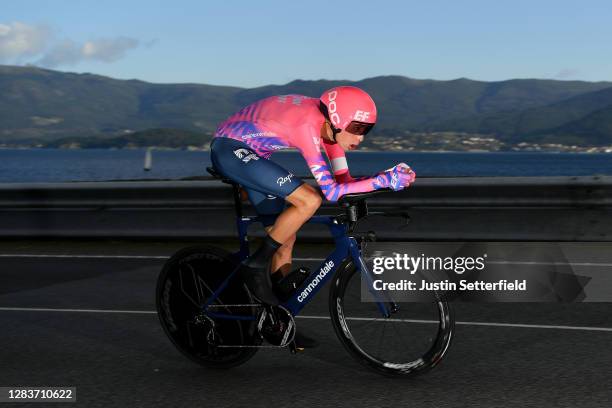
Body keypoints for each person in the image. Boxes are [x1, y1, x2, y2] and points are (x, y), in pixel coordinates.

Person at [210, 86, 415, 347]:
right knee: (309, 200)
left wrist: (383, 180)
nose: (360, 138)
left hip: (255, 154)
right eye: (357, 128)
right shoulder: (307, 125)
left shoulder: (330, 132)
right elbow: (330, 192)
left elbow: (344, 182)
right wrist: (384, 180)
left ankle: (278, 321)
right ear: (338, 121)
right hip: (230, 149)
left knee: (286, 238)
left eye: (366, 130)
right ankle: (256, 265)